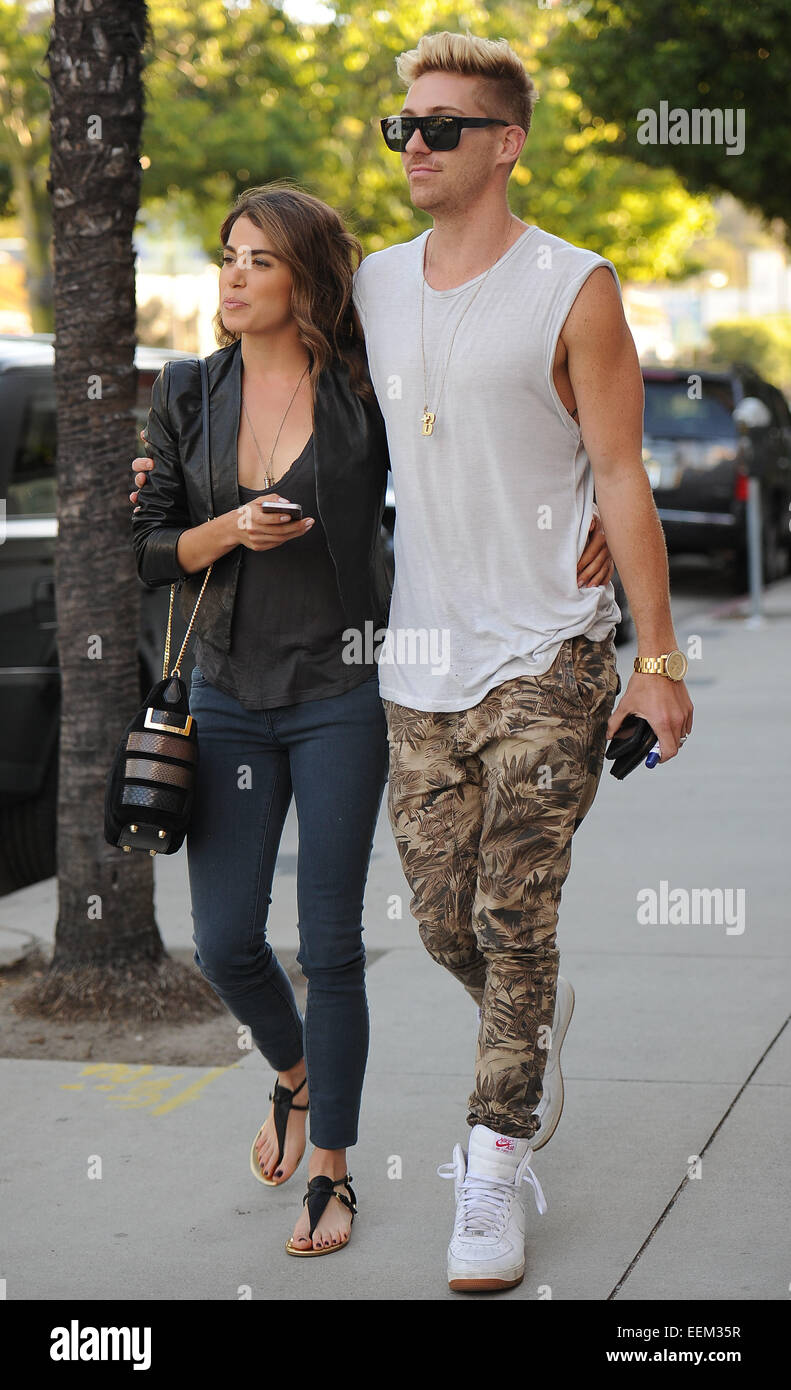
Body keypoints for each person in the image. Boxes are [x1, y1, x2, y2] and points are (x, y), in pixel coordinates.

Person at [129, 178, 616, 1272]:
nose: (235, 275)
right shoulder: (185, 391)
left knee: (334, 943)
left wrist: (582, 516)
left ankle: (332, 1168)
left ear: (305, 276)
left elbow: (479, 462)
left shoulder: (364, 390)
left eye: (258, 258)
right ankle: (293, 1073)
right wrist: (225, 532)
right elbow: (148, 546)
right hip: (226, 696)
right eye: (225, 256)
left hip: (346, 692)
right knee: (223, 942)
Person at [350, 31, 693, 1293]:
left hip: (550, 646)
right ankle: (522, 1013)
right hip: (421, 659)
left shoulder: (573, 286)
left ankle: (491, 1164)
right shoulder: (373, 284)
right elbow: (285, 379)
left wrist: (654, 659)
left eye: (442, 125)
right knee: (448, 923)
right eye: (404, 126)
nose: (416, 147)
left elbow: (619, 473)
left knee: (510, 907)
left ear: (506, 143)